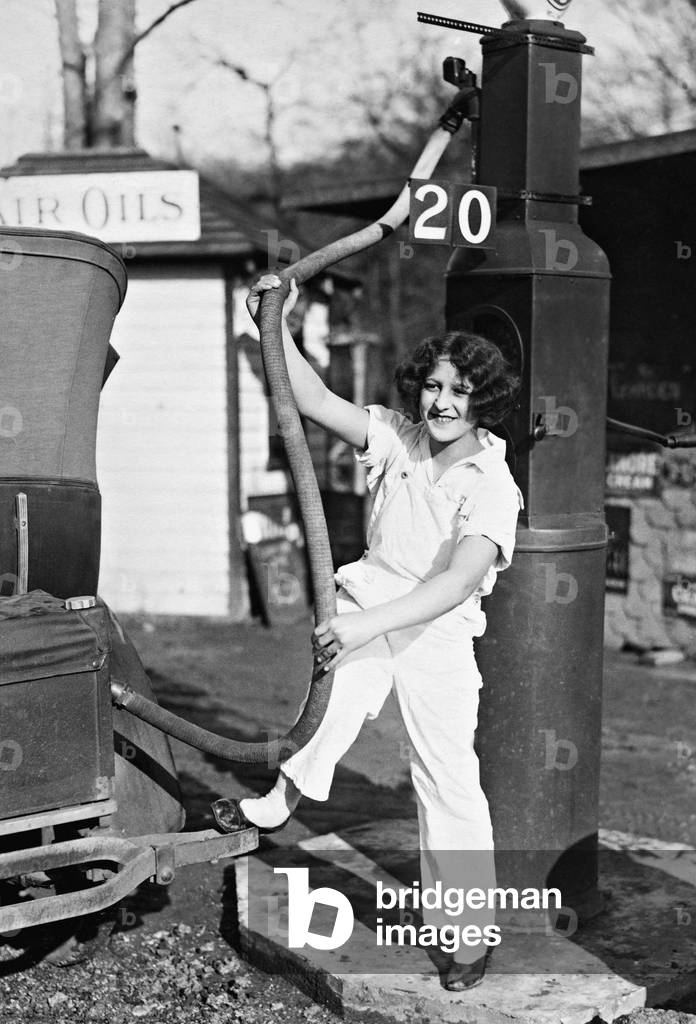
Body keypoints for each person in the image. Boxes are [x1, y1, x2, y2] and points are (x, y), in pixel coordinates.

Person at [214, 275, 523, 991]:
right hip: (374, 596)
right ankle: (278, 802)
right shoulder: (398, 437)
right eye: (434, 388)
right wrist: (276, 320)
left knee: (446, 777)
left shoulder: (493, 485)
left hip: (437, 630)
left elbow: (451, 584)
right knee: (339, 696)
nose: (442, 404)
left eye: (460, 393)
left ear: (483, 402)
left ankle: (467, 934)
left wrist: (364, 624)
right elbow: (315, 399)